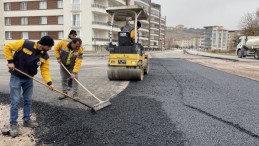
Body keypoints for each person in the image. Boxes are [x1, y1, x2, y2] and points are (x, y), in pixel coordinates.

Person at [3, 36, 55, 137]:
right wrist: (10, 61)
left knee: (28, 100)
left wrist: (49, 83)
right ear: (44, 45)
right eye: (49, 47)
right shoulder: (24, 44)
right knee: (15, 100)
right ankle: (13, 123)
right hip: (16, 77)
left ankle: (26, 120)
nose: (50, 49)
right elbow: (7, 47)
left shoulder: (45, 57)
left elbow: (45, 71)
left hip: (28, 79)